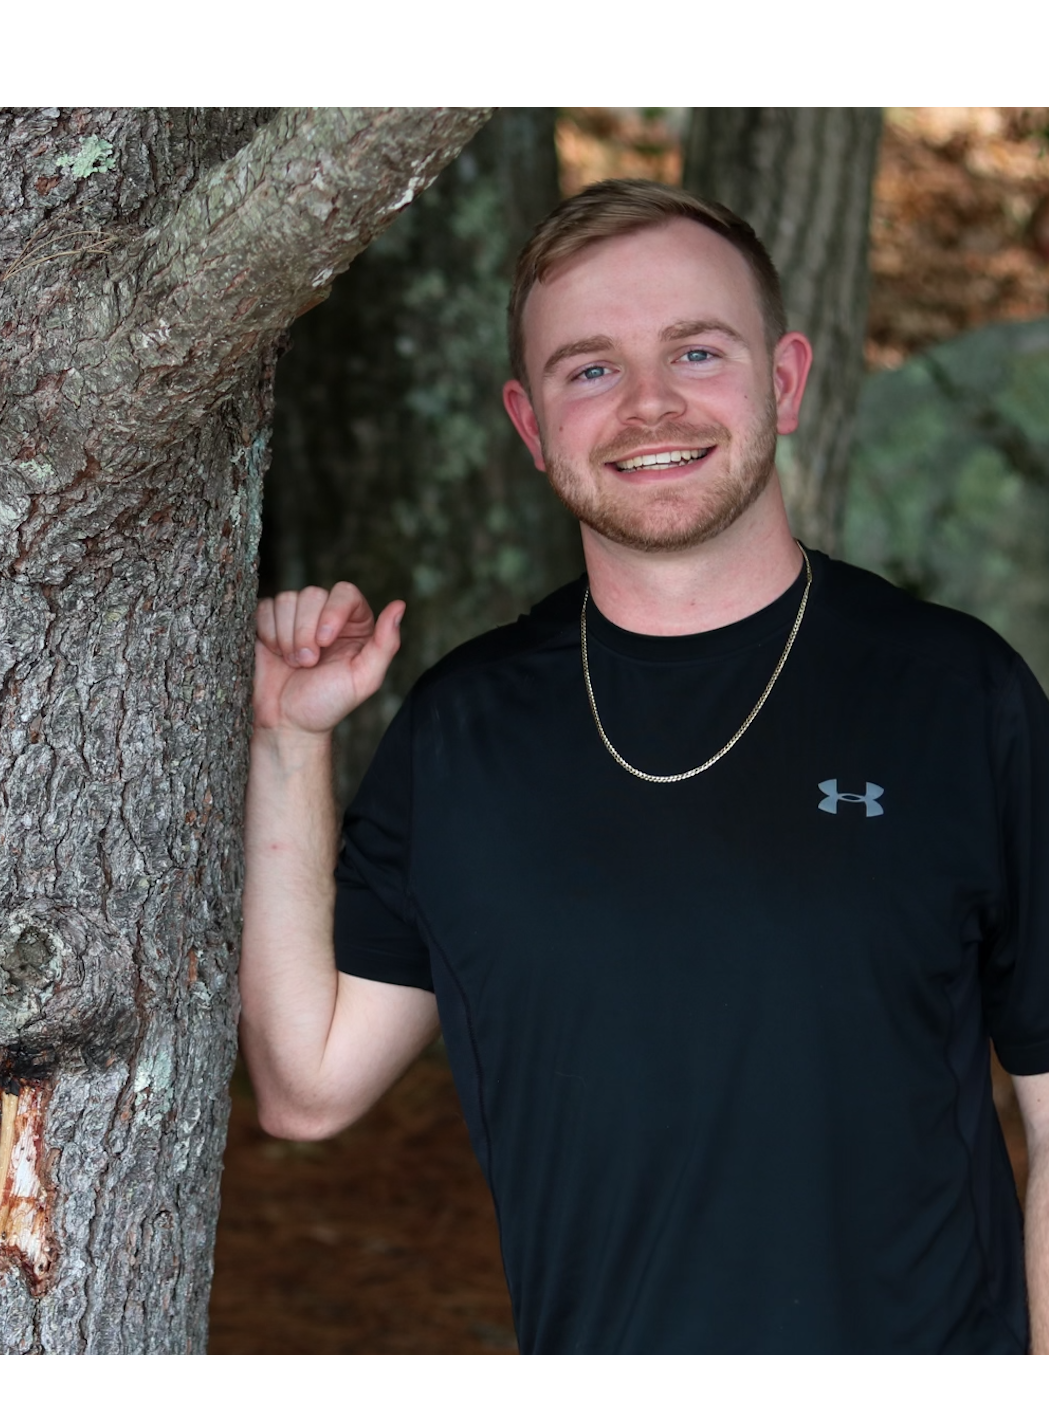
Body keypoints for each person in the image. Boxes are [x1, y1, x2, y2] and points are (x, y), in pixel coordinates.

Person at [241, 177, 1049, 1353]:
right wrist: (286, 735)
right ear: (529, 423)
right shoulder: (463, 732)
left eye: (696, 351)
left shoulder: (958, 696)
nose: (647, 405)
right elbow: (307, 1084)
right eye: (589, 368)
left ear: (782, 379)